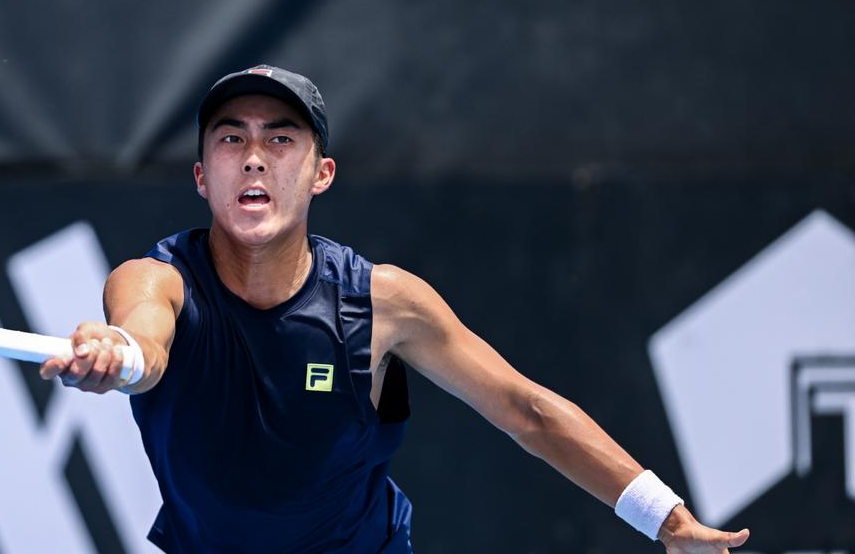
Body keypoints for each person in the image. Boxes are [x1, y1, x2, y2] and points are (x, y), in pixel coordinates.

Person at [40, 65, 752, 553]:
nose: (254, 157)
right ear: (203, 177)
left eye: (280, 138)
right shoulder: (156, 280)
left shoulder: (382, 303)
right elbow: (145, 341)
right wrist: (118, 356)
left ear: (321, 174)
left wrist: (665, 518)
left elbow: (526, 411)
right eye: (231, 139)